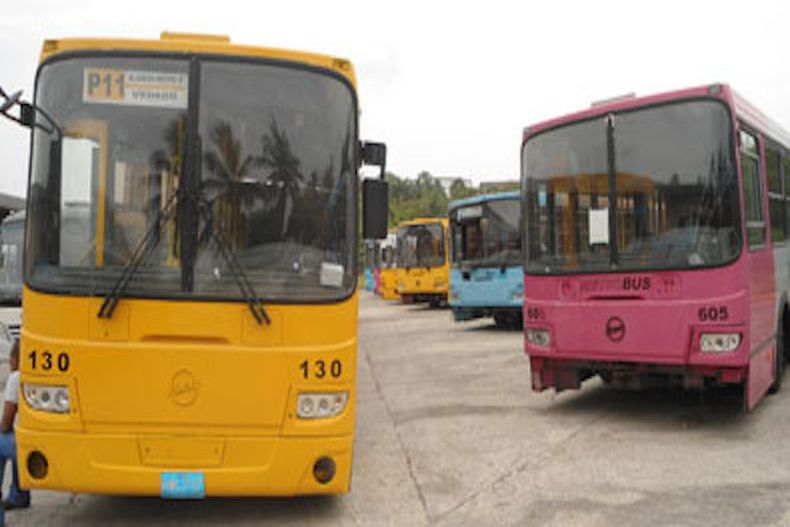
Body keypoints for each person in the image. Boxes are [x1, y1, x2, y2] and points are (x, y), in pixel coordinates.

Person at [0, 340, 30, 522]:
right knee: (17, 439)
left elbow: (6, 422)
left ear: (16, 358)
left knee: (3, 441)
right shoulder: (36, 374)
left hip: (23, 443)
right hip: (35, 440)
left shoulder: (16, 377)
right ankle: (20, 494)